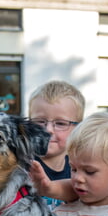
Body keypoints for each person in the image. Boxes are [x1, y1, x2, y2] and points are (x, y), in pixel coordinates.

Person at [28, 80, 85, 208]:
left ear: (78, 128)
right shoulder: (21, 166)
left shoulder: (81, 168)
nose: (48, 129)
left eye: (60, 123)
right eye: (40, 121)